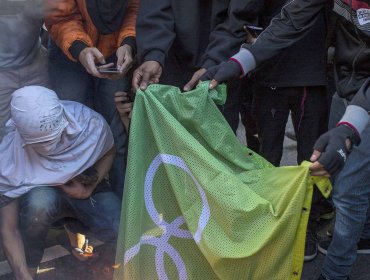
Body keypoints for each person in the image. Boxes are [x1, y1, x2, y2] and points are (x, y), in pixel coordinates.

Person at [202, 0, 370, 279]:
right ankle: (364, 234)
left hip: (363, 97)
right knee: (345, 180)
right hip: (346, 85)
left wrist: (350, 128)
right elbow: (292, 19)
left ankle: (336, 272)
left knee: (348, 189)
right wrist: (239, 63)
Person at [0, 86, 121, 278]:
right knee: (38, 206)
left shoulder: (89, 123)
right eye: (41, 142)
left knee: (118, 225)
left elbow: (110, 150)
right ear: (22, 136)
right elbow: (9, 228)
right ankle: (32, 267)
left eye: (54, 138)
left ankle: (75, 235)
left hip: (83, 185)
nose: (50, 146)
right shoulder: (8, 159)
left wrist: (89, 186)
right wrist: (23, 274)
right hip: (42, 196)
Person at [44, 0, 139, 198]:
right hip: (67, 46)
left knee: (116, 130)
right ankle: (77, 209)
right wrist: (80, 49)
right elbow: (58, 14)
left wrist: (128, 42)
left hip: (118, 48)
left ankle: (121, 210)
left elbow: (136, 8)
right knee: (71, 129)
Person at [132, 0, 263, 132]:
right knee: (167, 141)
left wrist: (213, 62)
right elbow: (154, 8)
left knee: (213, 142)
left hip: (219, 70)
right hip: (169, 64)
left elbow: (240, 17)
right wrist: (153, 55)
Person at [0, 0, 49, 141]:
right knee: (4, 134)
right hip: (2, 74)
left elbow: (61, 17)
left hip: (35, 63)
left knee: (43, 125)